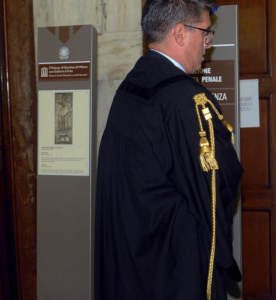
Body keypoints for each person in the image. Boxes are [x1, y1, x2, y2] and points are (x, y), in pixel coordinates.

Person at [94, 1, 243, 299]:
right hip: (171, 259)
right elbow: (217, 183)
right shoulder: (185, 100)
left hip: (131, 246)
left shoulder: (132, 85)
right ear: (180, 33)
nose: (208, 43)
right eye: (206, 33)